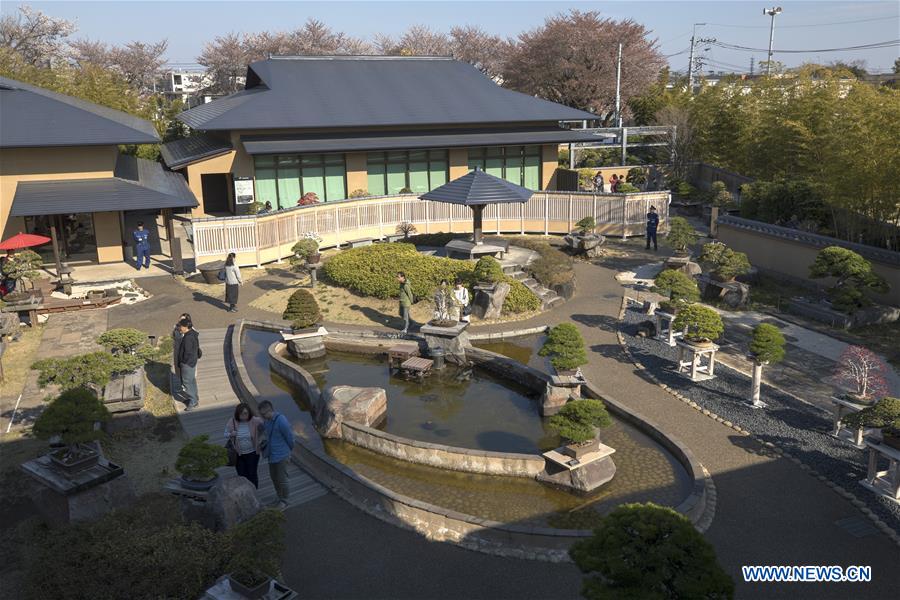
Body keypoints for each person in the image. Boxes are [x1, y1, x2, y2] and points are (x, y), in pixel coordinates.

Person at [259, 400, 293, 510]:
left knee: (283, 479)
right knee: (274, 478)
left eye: (263, 414)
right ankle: (280, 497)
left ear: (270, 410)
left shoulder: (281, 420)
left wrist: (288, 452)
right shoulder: (267, 421)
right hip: (272, 455)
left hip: (282, 455)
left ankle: (285, 501)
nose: (262, 416)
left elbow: (290, 438)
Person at [225, 403, 264, 488]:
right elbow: (225, 434)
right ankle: (245, 492)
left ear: (249, 413)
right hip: (238, 454)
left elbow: (265, 423)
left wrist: (261, 436)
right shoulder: (232, 421)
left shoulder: (254, 420)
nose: (244, 416)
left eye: (246, 413)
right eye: (241, 413)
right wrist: (231, 434)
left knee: (252, 474)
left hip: (253, 453)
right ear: (237, 413)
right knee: (242, 475)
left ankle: (254, 492)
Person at [176, 318, 201, 411]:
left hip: (187, 364)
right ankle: (195, 397)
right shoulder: (193, 334)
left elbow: (187, 352)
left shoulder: (187, 338)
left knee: (187, 383)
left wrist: (182, 362)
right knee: (192, 381)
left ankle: (193, 402)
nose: (180, 328)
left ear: (186, 327)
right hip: (192, 362)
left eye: (181, 326)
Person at [172, 313, 191, 392]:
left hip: (184, 353)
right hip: (177, 351)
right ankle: (181, 385)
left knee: (185, 371)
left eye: (183, 319)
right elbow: (173, 337)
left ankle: (186, 388)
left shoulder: (189, 330)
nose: (180, 320)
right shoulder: (176, 327)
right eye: (180, 319)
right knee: (178, 369)